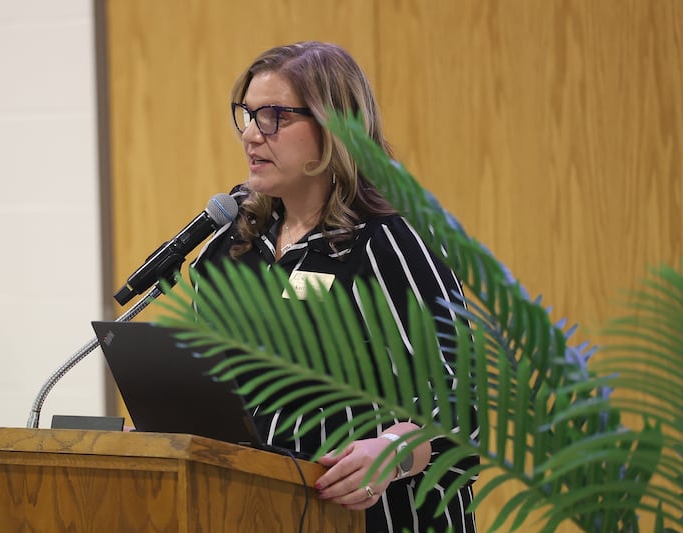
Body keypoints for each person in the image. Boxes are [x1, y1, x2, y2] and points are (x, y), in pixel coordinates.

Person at [190, 41, 477, 533]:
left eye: (275, 116)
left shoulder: (388, 241)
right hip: (260, 513)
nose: (253, 136)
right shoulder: (232, 245)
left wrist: (391, 452)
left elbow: (466, 404)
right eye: (248, 115)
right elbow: (211, 395)